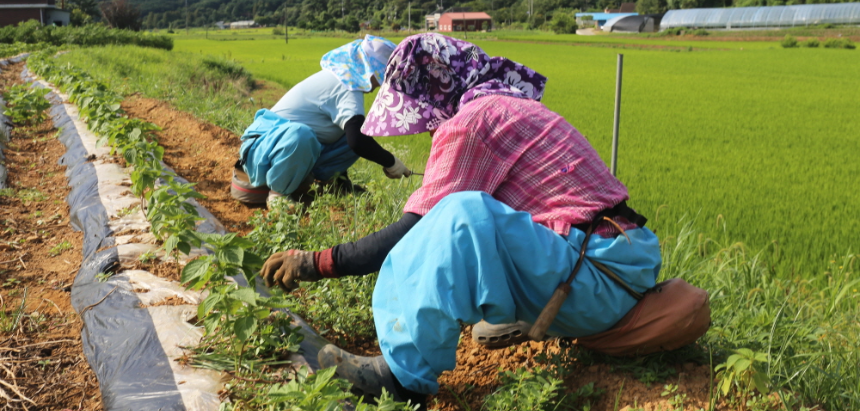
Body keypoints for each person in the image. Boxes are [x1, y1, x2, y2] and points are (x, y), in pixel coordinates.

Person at [261, 33, 662, 407]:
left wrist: (316, 261)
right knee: (470, 219)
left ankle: (401, 378)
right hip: (623, 262)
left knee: (455, 215)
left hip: (594, 279)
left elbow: (414, 230)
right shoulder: (511, 107)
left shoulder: (472, 123)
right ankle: (499, 319)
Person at [233, 35, 411, 205]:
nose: (379, 85)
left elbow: (355, 137)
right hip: (261, 153)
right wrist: (391, 162)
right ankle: (278, 195)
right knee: (302, 135)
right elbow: (357, 141)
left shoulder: (345, 79)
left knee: (355, 131)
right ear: (370, 70)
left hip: (281, 151)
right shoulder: (347, 86)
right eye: (380, 78)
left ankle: (332, 183)